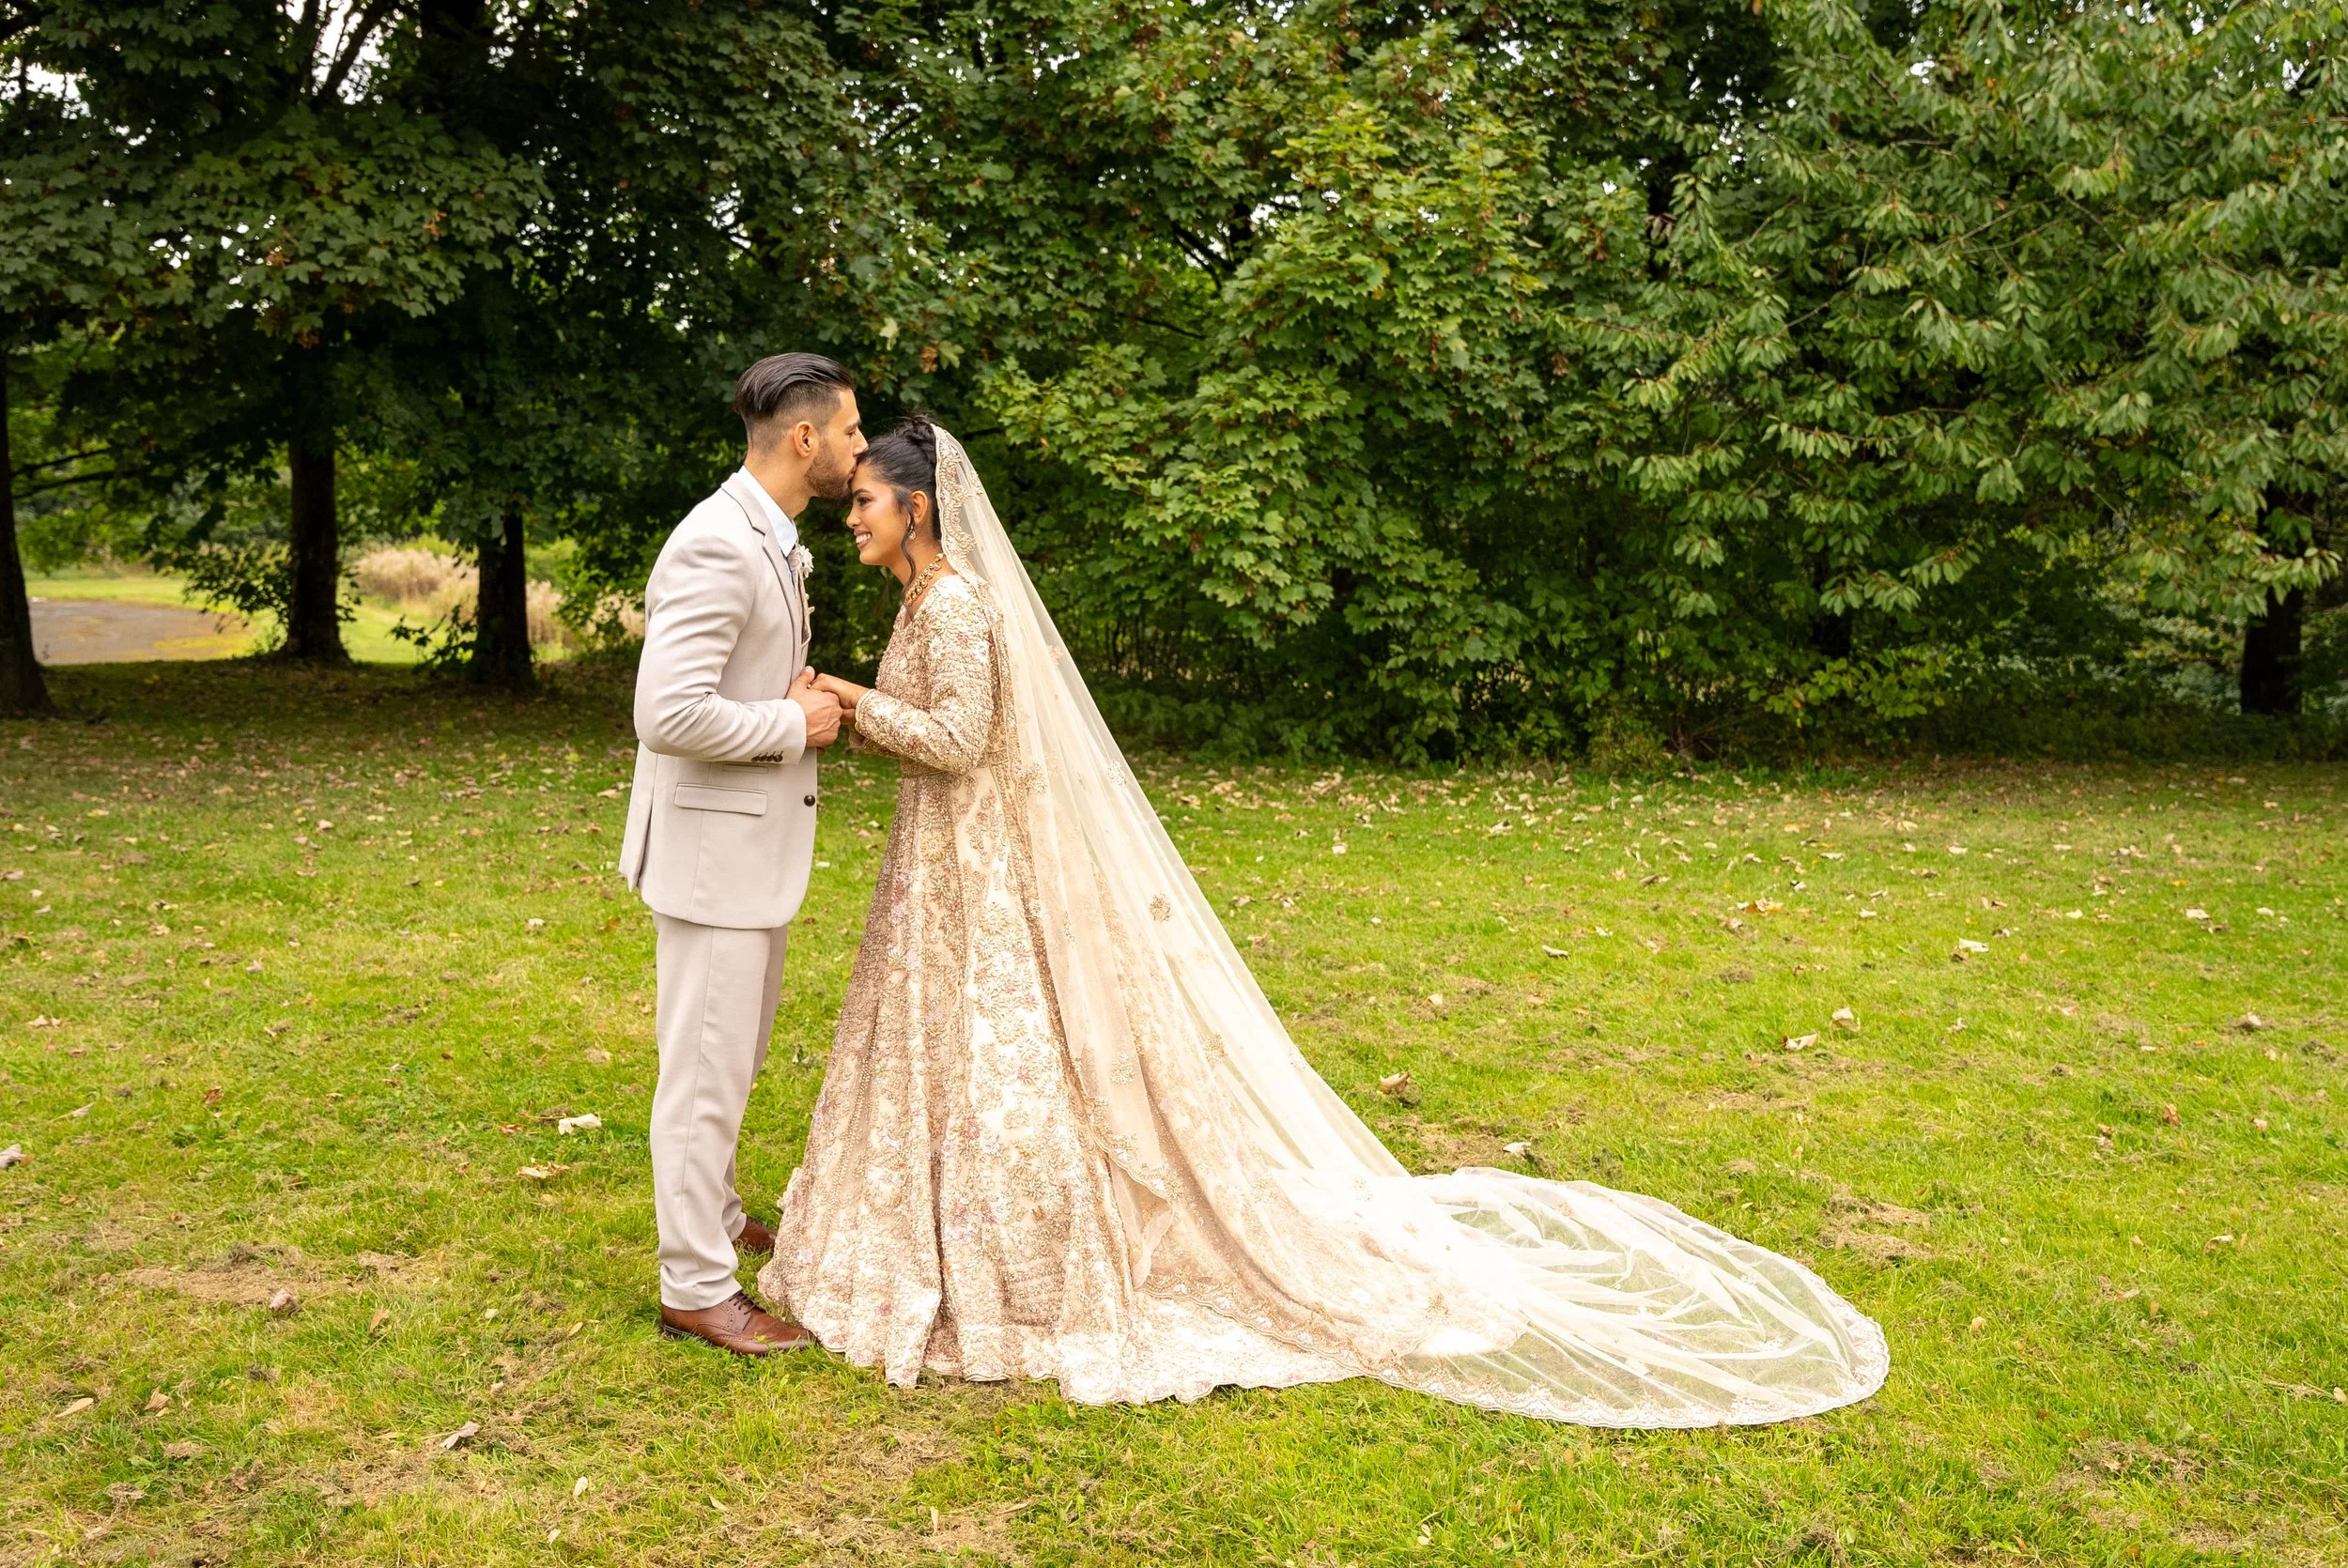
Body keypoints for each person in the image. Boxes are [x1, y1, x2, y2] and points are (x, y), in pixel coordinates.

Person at [764, 416, 1890, 1424]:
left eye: (864, 497)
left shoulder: (955, 601)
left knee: (1003, 1056)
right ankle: (959, 1230)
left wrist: (852, 702)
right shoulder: (926, 598)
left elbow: (960, 740)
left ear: (915, 504)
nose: (850, 512)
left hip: (977, 867)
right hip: (949, 864)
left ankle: (1019, 1250)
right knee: (955, 1052)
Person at [618, 352, 858, 1355]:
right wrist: (788, 722)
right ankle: (695, 1286)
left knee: (733, 1055)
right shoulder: (718, 541)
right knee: (704, 1072)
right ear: (803, 439)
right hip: (714, 856)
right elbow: (665, 710)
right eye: (847, 430)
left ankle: (713, 1219)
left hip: (747, 850)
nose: (856, 447)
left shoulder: (774, 536)